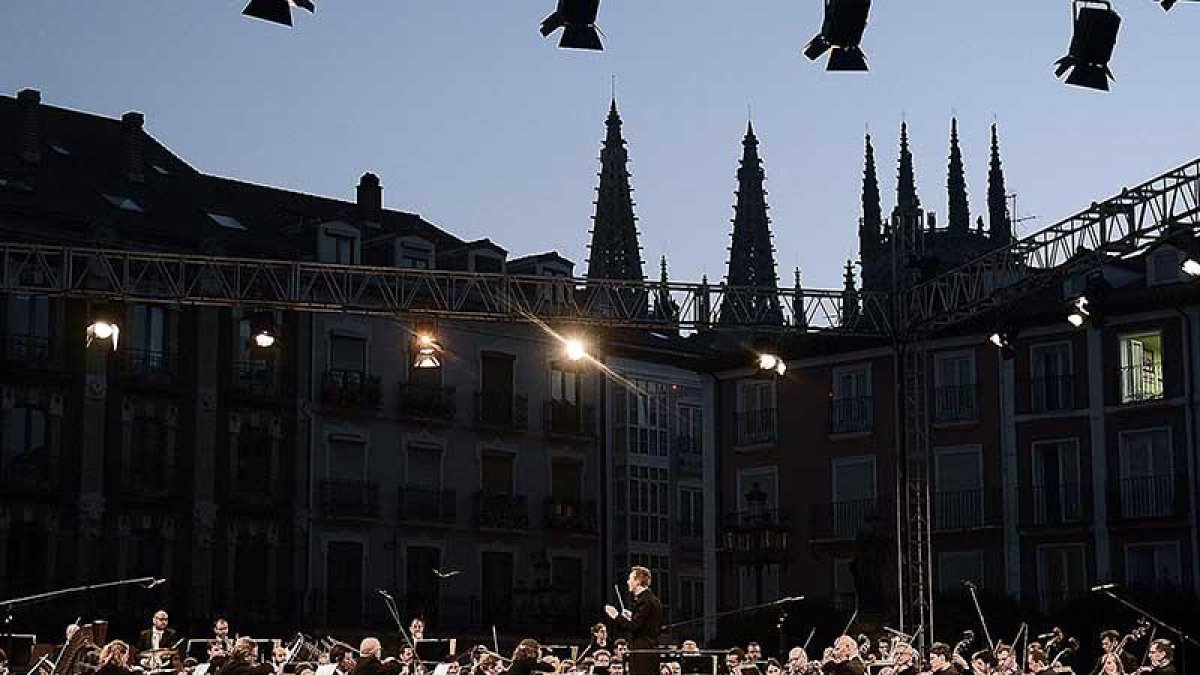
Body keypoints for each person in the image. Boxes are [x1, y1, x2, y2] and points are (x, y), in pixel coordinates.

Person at [604, 567, 663, 675]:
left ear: (638, 581)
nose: (628, 581)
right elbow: (646, 623)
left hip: (642, 653)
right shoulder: (652, 599)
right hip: (649, 650)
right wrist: (631, 616)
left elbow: (634, 627)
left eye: (630, 578)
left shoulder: (644, 600)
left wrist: (616, 616)